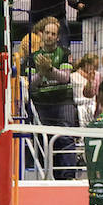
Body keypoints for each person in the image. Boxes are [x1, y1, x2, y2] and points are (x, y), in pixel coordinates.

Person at [25, 18, 78, 180]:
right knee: (43, 139)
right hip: (41, 103)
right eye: (47, 33)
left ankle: (68, 177)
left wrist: (50, 69)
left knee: (66, 137)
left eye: (53, 34)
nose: (49, 36)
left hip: (63, 102)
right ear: (42, 35)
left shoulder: (65, 53)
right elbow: (31, 84)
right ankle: (47, 175)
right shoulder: (33, 57)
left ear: (57, 37)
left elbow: (65, 78)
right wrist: (41, 73)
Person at [72, 53, 99, 127]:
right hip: (79, 106)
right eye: (94, 66)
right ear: (86, 64)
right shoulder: (73, 76)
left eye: (97, 67)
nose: (95, 69)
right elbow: (77, 96)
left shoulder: (97, 75)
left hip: (95, 105)